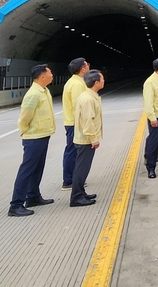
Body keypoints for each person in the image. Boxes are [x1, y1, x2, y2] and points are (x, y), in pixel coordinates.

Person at [8, 64, 56, 217]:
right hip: (34, 137)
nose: (52, 74)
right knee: (27, 170)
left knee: (37, 168)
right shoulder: (33, 94)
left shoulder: (44, 91)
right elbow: (25, 116)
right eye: (49, 72)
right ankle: (16, 205)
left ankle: (33, 196)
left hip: (42, 134)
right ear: (42, 76)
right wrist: (23, 129)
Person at [71, 69, 104, 207]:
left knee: (83, 167)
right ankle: (76, 197)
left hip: (85, 139)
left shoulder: (89, 96)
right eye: (102, 79)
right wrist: (93, 138)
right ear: (96, 82)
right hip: (85, 140)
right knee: (81, 168)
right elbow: (88, 120)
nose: (103, 81)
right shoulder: (88, 99)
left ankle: (81, 192)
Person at [61, 57, 89, 190]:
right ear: (82, 69)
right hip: (75, 123)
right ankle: (69, 180)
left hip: (73, 122)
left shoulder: (75, 81)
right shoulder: (77, 84)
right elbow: (78, 105)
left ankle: (73, 178)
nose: (88, 66)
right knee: (72, 151)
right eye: (87, 65)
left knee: (73, 150)